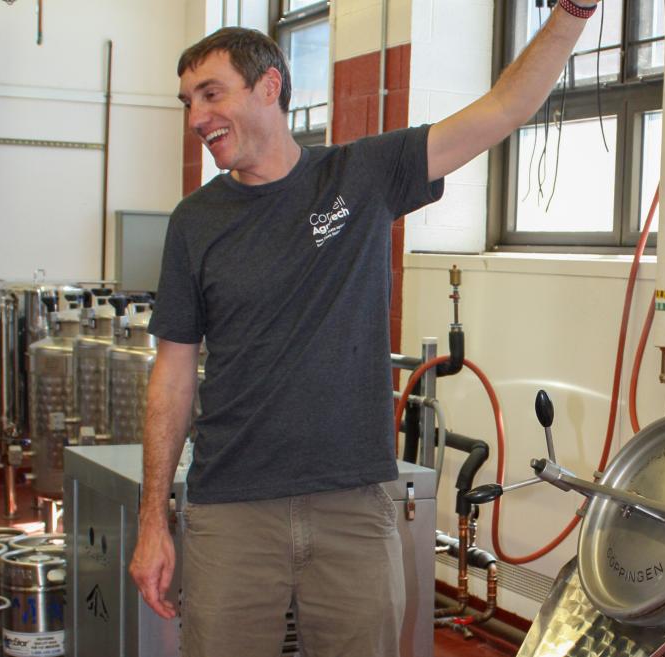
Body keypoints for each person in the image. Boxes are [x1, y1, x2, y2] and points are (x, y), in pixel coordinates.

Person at [128, 2, 602, 655]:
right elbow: (172, 372)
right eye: (186, 102)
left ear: (269, 85)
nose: (196, 118)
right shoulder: (193, 221)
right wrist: (154, 517)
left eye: (210, 94)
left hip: (353, 503)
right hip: (231, 508)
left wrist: (573, 13)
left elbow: (502, 110)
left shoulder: (363, 175)